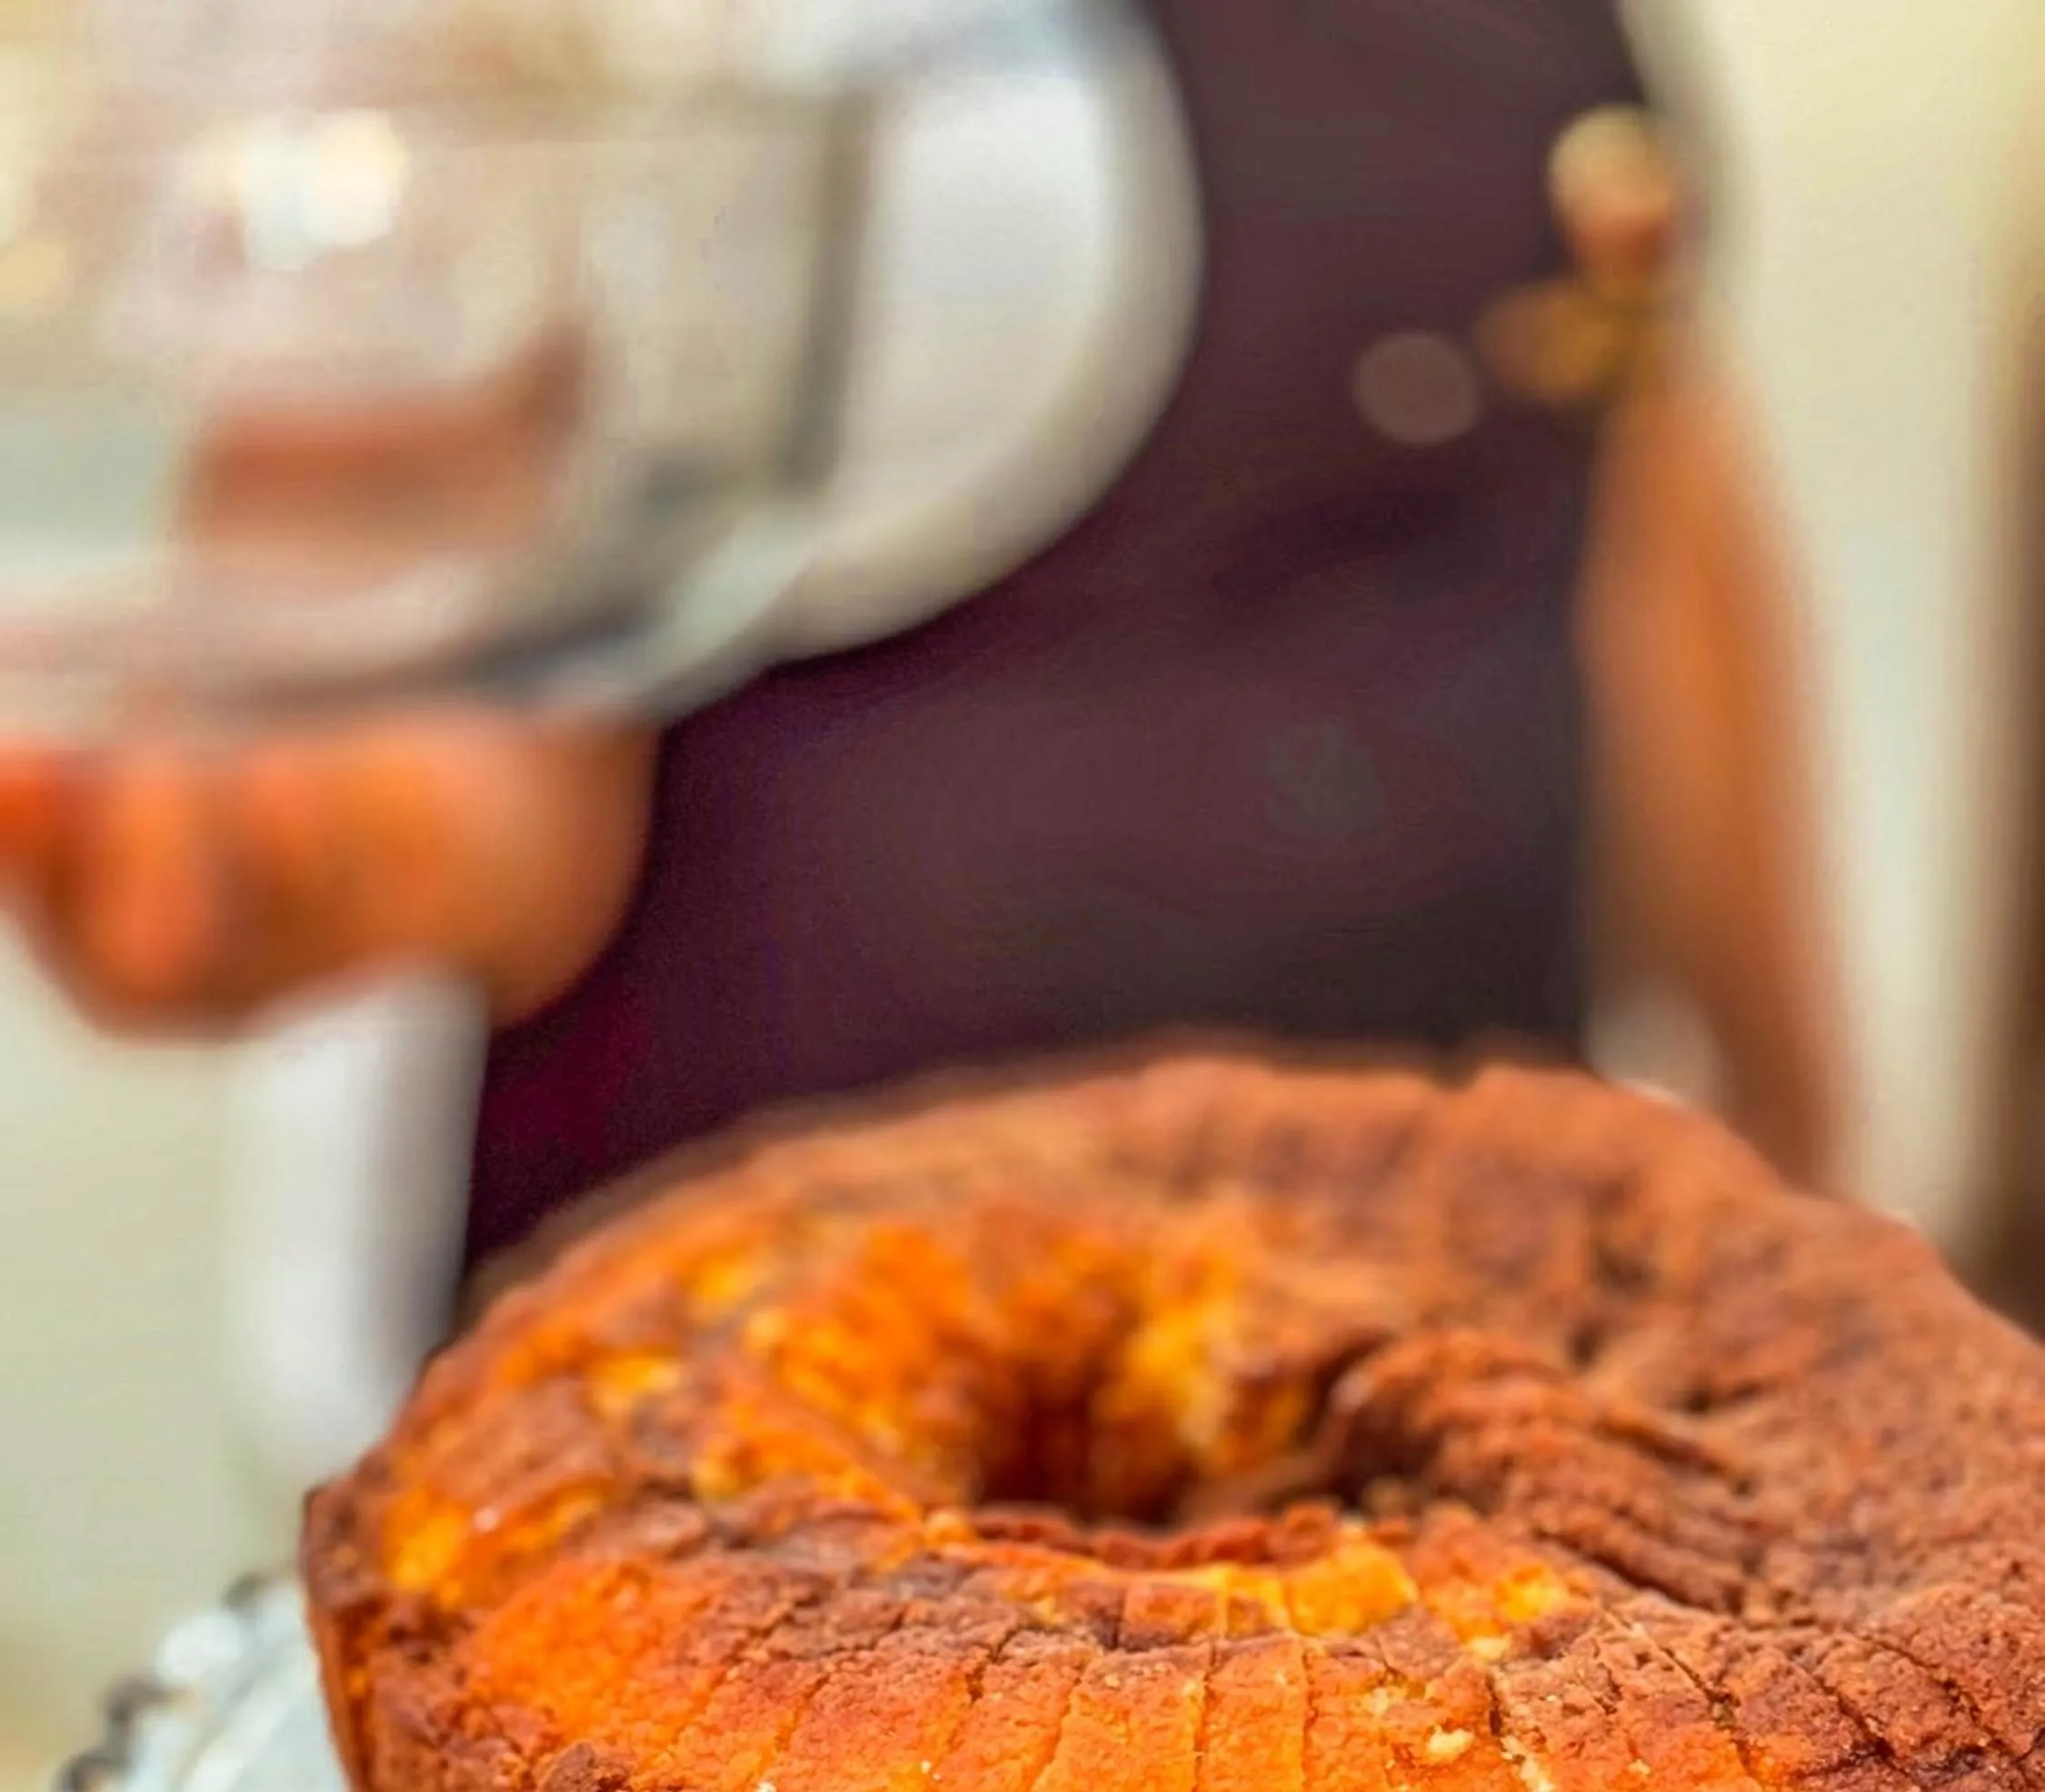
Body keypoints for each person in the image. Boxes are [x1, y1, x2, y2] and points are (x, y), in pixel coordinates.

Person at [0, 4, 1839, 1303]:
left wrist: (1806, 1144)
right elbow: (404, 603)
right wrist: (311, 815)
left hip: (1467, 1324)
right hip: (757, 1396)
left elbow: (1621, 444)